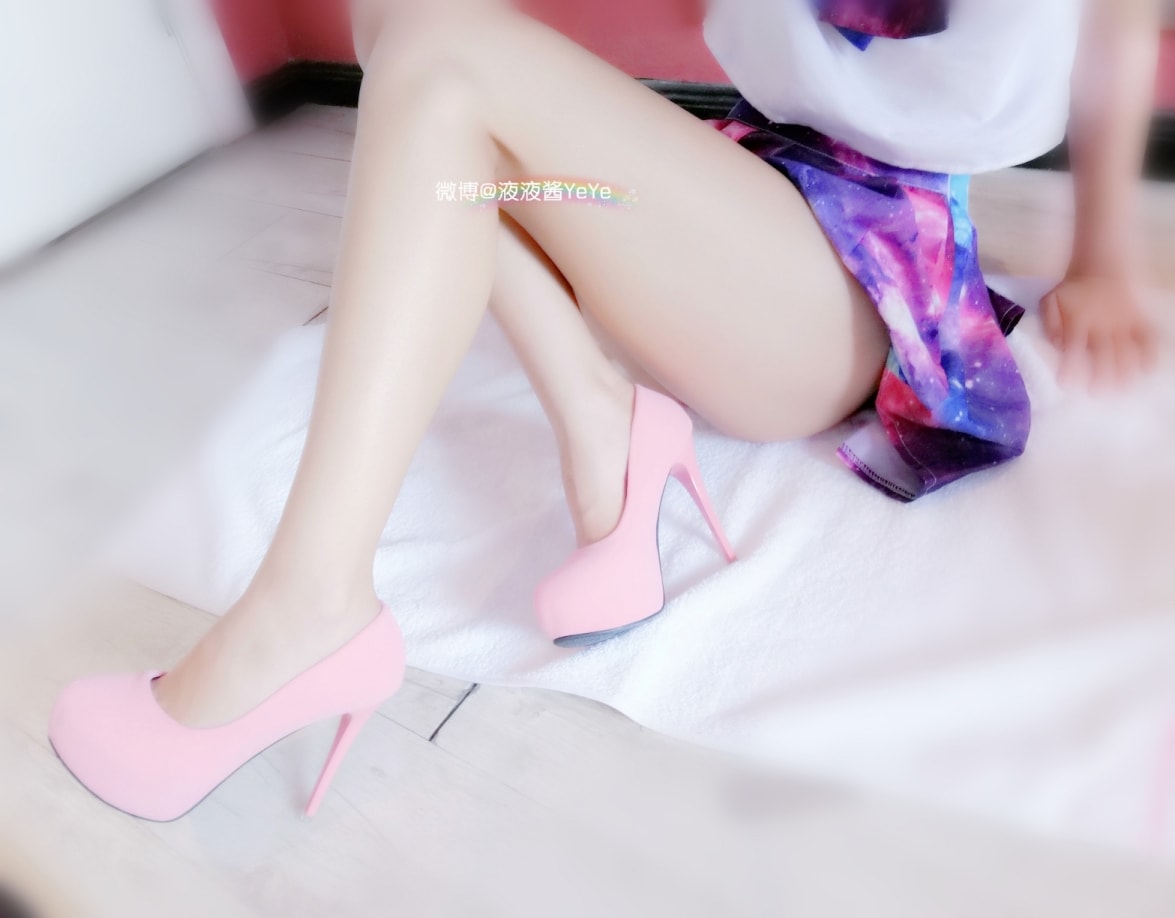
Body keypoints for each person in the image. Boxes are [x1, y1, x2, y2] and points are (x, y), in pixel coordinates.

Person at [48, 0, 1161, 820]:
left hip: (858, 273)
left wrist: (1103, 256)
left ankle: (310, 604)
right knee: (404, 29)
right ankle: (599, 416)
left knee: (444, 65)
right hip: (721, 192)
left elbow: (1114, 32)